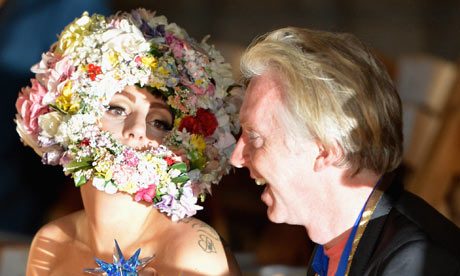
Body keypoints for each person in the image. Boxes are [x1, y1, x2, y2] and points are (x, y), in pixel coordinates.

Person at [16, 9, 242, 276]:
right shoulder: (51, 242)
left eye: (159, 122)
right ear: (70, 114)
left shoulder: (192, 251)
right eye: (117, 109)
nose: (136, 130)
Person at [231, 27, 460, 275]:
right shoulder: (339, 244)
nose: (236, 158)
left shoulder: (417, 262)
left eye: (254, 137)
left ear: (326, 150)